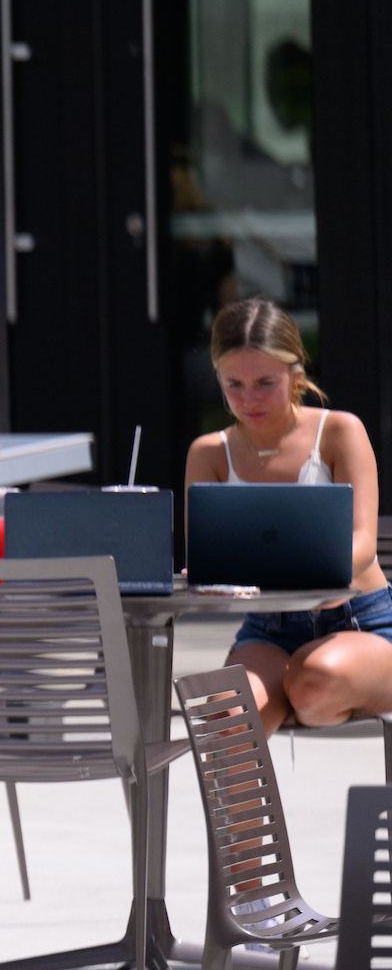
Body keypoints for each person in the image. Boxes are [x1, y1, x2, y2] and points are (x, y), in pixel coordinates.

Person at [185, 297, 392, 734]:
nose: (248, 399)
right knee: (223, 718)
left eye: (264, 382)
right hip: (270, 629)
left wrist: (299, 582)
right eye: (233, 384)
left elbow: (362, 543)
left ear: (296, 375)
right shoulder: (209, 453)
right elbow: (206, 556)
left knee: (314, 683)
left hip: (359, 620)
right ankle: (250, 801)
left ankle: (296, 687)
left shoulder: (340, 431)